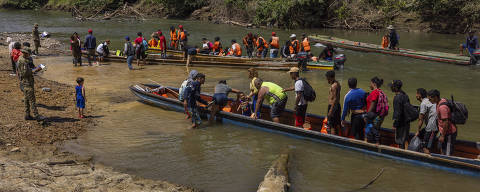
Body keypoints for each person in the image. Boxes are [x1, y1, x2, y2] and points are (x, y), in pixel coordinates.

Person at [427, 89, 457, 156]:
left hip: (449, 132)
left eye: (430, 99)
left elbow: (446, 122)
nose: (429, 100)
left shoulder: (442, 107)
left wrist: (443, 135)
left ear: (435, 97)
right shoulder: (441, 101)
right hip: (444, 131)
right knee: (442, 149)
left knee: (447, 153)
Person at [17, 48, 43, 121]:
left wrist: (34, 69)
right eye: (29, 54)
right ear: (26, 53)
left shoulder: (22, 59)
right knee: (32, 100)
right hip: (27, 82)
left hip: (25, 82)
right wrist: (36, 70)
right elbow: (25, 73)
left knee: (26, 99)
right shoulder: (23, 61)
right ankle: (37, 115)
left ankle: (27, 115)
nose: (29, 55)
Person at [365, 77, 388, 144]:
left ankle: (374, 144)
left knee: (371, 130)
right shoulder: (380, 91)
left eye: (371, 83)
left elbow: (373, 104)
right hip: (378, 115)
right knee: (374, 130)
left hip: (373, 115)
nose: (370, 85)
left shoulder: (375, 92)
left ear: (374, 84)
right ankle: (375, 142)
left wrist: (367, 115)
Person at [389, 80, 410, 149]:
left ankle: (401, 154)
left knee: (400, 140)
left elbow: (398, 112)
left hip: (400, 123)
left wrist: (395, 124)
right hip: (407, 121)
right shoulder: (405, 95)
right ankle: (405, 151)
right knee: (405, 139)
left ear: (395, 88)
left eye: (392, 87)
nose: (390, 88)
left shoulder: (397, 98)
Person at [415, 88, 437, 154]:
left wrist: (417, 131)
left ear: (419, 95)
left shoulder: (423, 104)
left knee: (425, 147)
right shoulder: (429, 100)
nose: (415, 95)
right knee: (423, 137)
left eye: (416, 93)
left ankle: (427, 157)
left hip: (432, 127)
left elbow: (421, 119)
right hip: (435, 125)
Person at [326, 71, 341, 135]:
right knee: (336, 124)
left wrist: (331, 110)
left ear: (330, 77)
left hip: (333, 106)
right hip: (337, 106)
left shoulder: (333, 86)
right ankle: (338, 137)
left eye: (327, 78)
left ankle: (333, 139)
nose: (326, 79)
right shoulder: (337, 83)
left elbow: (334, 98)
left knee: (332, 125)